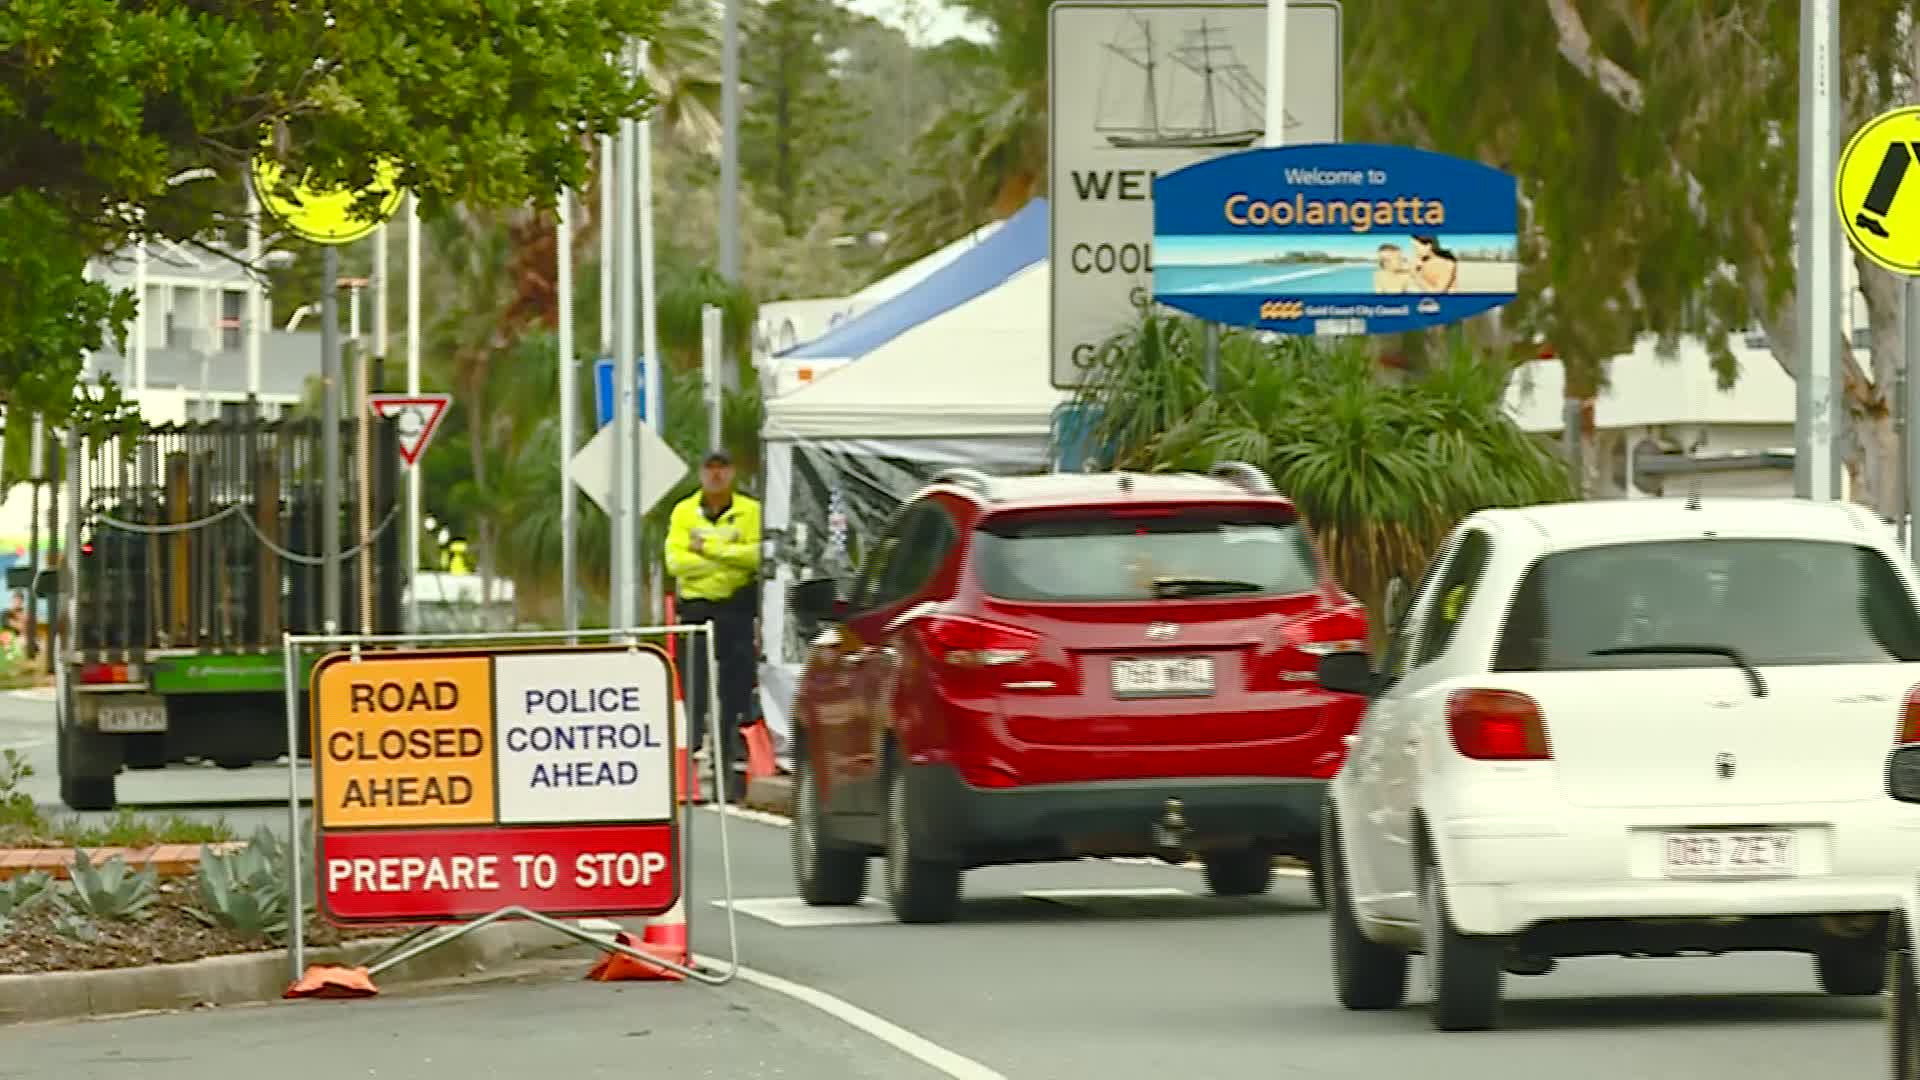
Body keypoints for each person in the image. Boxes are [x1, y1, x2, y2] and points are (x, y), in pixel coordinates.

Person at [664, 450, 762, 800]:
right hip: (696, 609)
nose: (717, 476)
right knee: (694, 684)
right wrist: (725, 555)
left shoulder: (750, 511)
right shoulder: (684, 512)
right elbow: (677, 562)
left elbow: (755, 557)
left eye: (723, 469)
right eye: (710, 469)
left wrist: (706, 548)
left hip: (735, 610)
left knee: (736, 686)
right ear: (701, 474)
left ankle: (731, 756)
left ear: (732, 473)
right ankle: (691, 762)